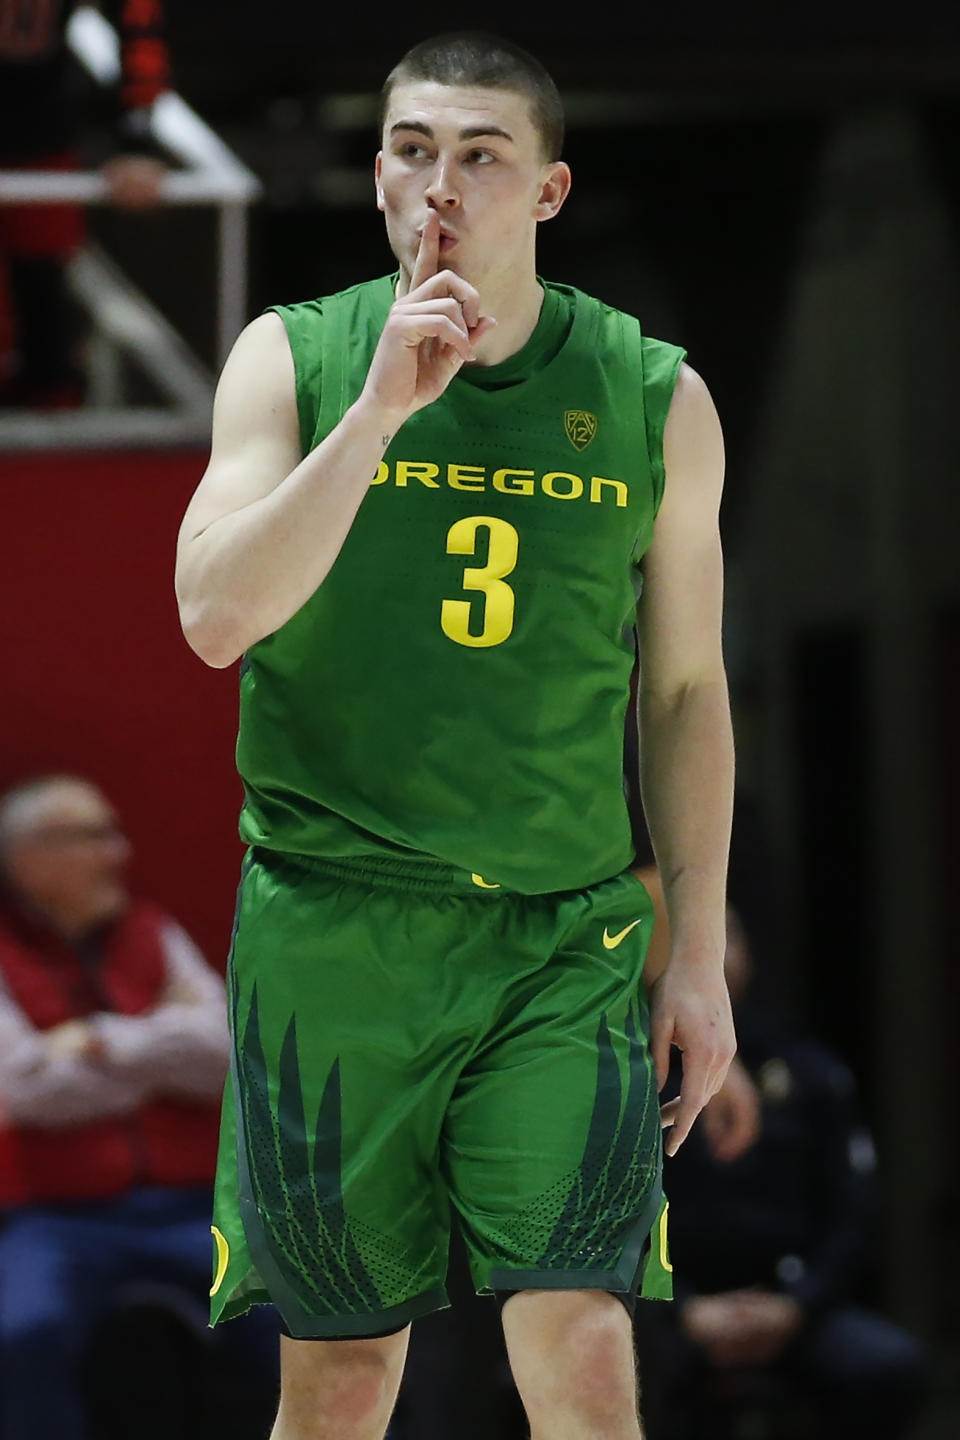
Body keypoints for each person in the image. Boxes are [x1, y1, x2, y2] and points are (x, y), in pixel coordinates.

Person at [175, 30, 736, 1440]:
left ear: (546, 191)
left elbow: (681, 694)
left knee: (589, 1357)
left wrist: (702, 955)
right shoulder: (292, 357)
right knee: (345, 1383)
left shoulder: (652, 394)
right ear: (375, 175)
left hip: (560, 938)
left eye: (482, 155)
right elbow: (214, 616)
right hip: (337, 937)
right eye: (414, 149)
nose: (443, 183)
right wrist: (377, 415)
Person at [0, 773, 279, 1439]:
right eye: (94, 836)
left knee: (305, 1317)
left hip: (193, 1210)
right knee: (21, 1333)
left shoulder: (156, 933)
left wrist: (94, 1040)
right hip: (58, 1221)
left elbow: (224, 1061)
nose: (118, 852)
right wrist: (161, 1045)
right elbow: (24, 1092)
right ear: (28, 858)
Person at [634, 903, 931, 1440]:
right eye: (684, 939)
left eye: (725, 936)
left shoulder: (806, 1068)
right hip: (672, 1307)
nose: (711, 957)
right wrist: (684, 1311)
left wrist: (797, 1304)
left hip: (791, 1302)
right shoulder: (630, 1074)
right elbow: (613, 1218)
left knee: (887, 1367)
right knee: (618, 1369)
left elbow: (854, 1211)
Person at [0, 0, 171, 407]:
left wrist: (138, 140)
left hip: (37, 144)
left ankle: (51, 408)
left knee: (43, 299)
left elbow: (139, 23)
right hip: (38, 138)